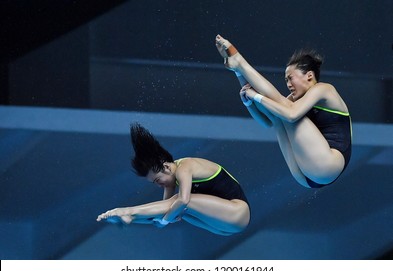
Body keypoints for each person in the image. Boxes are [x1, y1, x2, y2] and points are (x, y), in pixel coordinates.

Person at [215, 34, 352, 188]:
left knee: (283, 108)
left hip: (328, 164)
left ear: (309, 76)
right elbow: (267, 121)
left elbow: (291, 115)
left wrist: (257, 96)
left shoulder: (324, 89)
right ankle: (238, 69)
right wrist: (249, 101)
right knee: (278, 114)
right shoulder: (292, 102)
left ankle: (239, 61)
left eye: (290, 78)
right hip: (306, 176)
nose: (288, 84)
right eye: (286, 80)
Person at [97, 123, 250, 236]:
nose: (159, 185)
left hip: (238, 213)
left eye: (157, 180)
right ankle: (129, 217)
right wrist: (159, 220)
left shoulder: (185, 166)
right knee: (176, 210)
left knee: (181, 202)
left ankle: (127, 211)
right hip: (223, 227)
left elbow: (182, 200)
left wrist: (164, 220)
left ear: (166, 168)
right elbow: (166, 209)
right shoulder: (171, 177)